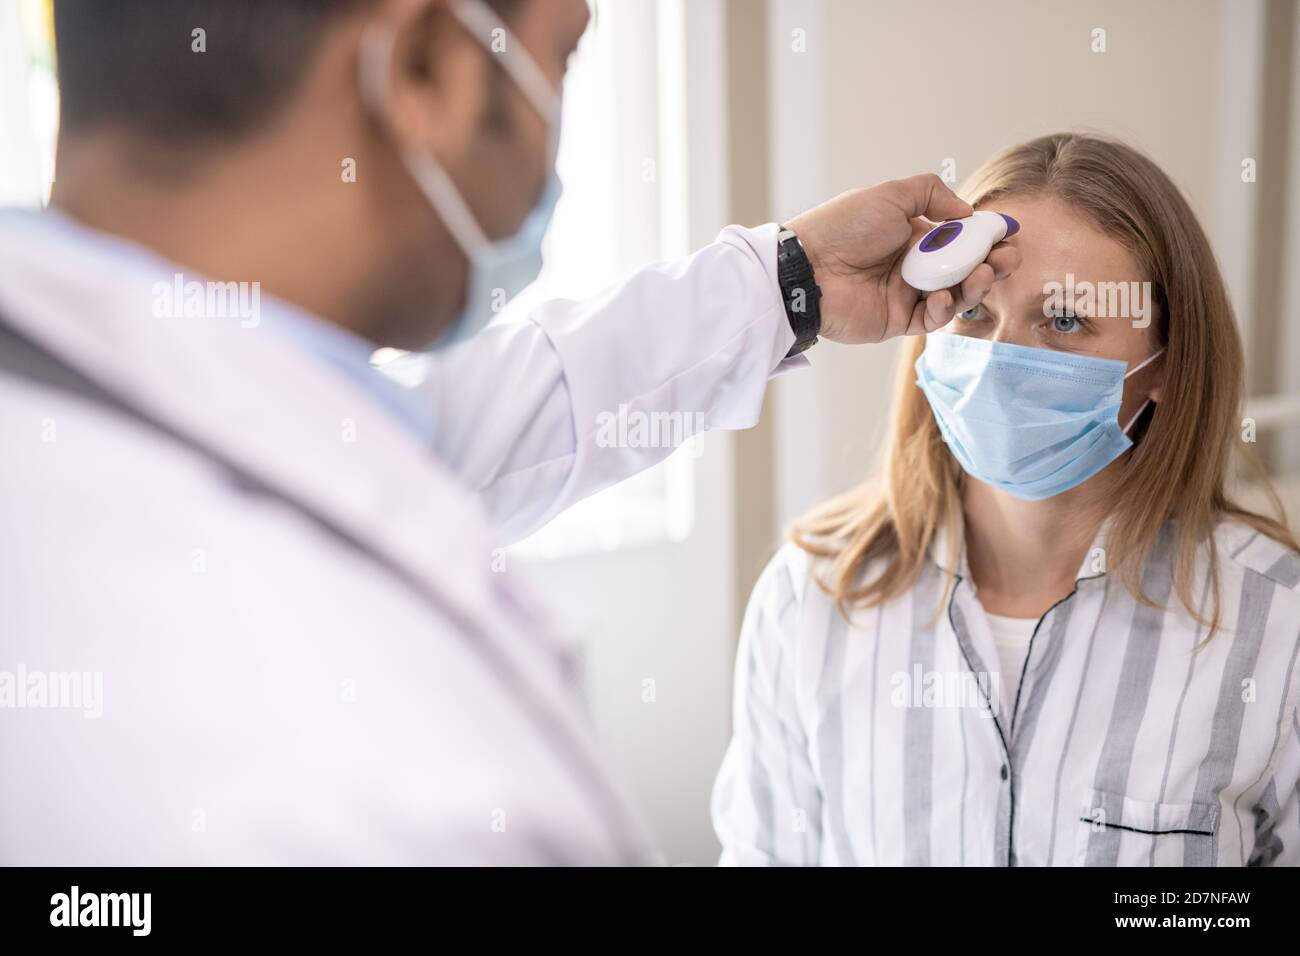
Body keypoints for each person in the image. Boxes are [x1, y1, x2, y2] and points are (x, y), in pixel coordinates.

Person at [0, 0, 1017, 863]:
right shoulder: (386, 792)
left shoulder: (110, 411)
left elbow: (454, 436)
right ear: (426, 67)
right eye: (562, 54)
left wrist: (788, 283)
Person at [711, 131, 1300, 867]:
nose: (998, 360)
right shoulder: (811, 598)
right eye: (973, 312)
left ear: (1165, 368)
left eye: (1063, 322)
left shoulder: (1276, 624)